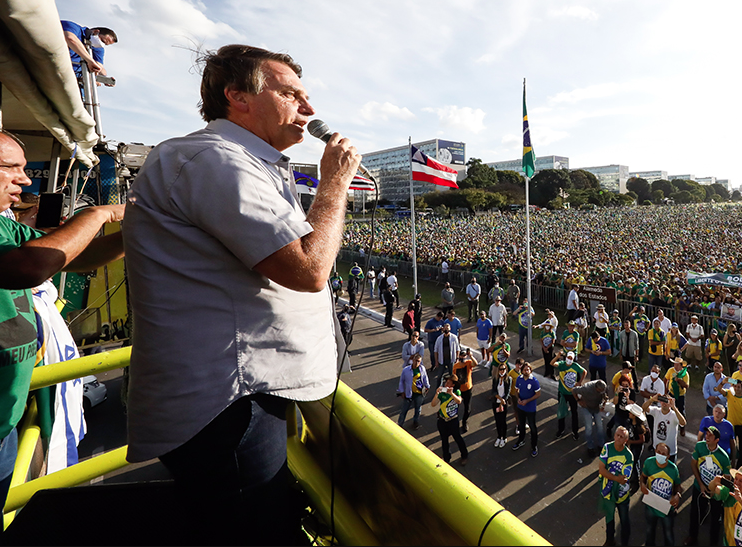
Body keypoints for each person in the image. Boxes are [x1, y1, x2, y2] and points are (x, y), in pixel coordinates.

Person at [121, 45, 354, 544]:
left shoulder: (239, 161)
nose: (309, 110)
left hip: (235, 393)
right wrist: (334, 185)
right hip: (229, 401)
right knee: (253, 530)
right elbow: (310, 268)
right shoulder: (214, 160)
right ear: (237, 97)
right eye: (292, 94)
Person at [0, 131, 124, 507]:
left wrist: (131, 231)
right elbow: (34, 265)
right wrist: (99, 213)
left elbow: (72, 257)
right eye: (10, 168)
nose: (24, 179)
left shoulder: (4, 225)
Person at [688, 426, 730, 545]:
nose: (707, 436)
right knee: (694, 512)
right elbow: (693, 464)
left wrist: (716, 490)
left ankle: (713, 542)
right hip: (699, 487)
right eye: (706, 434)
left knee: (715, 518)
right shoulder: (699, 446)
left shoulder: (723, 457)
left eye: (711, 435)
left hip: (715, 492)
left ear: (717, 440)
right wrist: (700, 484)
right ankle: (692, 536)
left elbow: (727, 478)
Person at [599, 426, 636, 547]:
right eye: (617, 435)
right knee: (609, 518)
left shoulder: (628, 456)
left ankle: (624, 542)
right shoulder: (607, 447)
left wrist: (612, 476)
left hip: (621, 494)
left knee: (624, 520)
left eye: (622, 437)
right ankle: (610, 540)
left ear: (626, 440)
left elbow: (624, 479)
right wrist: (615, 477)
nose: (619, 438)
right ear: (614, 436)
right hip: (608, 491)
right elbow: (601, 470)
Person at [708, 467, 742, 547]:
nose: (737, 482)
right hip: (727, 542)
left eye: (741, 481)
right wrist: (714, 482)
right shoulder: (728, 491)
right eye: (736, 479)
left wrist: (741, 501)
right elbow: (712, 489)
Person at [641, 441, 682, 545]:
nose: (660, 455)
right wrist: (642, 484)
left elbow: (677, 485)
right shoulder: (649, 463)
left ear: (668, 456)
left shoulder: (673, 469)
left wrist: (677, 495)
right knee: (649, 531)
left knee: (668, 535)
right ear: (655, 451)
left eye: (663, 454)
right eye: (658, 452)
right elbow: (643, 476)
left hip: (666, 508)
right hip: (651, 505)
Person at [431, 374, 468, 466]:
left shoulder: (457, 392)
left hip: (453, 420)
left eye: (448, 383)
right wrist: (436, 394)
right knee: (444, 440)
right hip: (442, 420)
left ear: (453, 385)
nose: (446, 384)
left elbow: (459, 401)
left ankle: (464, 455)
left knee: (457, 438)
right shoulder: (442, 393)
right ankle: (446, 458)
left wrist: (451, 393)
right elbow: (433, 404)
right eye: (446, 382)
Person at [722, 380, 742, 469]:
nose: (736, 389)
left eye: (739, 387)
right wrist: (725, 381)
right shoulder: (729, 394)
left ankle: (738, 469)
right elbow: (718, 389)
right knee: (729, 448)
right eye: (735, 386)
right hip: (730, 426)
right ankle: (728, 467)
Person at [576, 379, 611, 458]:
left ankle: (601, 445)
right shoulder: (586, 388)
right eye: (600, 391)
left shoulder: (603, 387)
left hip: (596, 407)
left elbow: (605, 398)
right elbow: (574, 390)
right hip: (587, 408)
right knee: (589, 427)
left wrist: (603, 405)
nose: (602, 392)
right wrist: (579, 401)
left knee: (600, 426)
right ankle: (590, 447)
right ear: (596, 388)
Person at [513, 362, 541, 457]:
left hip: (530, 409)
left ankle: (534, 446)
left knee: (533, 427)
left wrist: (527, 400)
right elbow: (516, 391)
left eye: (528, 369)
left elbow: (538, 394)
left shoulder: (534, 381)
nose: (527, 371)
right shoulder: (519, 379)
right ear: (522, 371)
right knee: (521, 425)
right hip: (521, 407)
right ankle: (521, 440)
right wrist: (519, 399)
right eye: (525, 369)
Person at [647, 394, 686, 461]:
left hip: (670, 452)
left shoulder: (674, 415)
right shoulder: (656, 411)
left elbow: (683, 423)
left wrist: (674, 407)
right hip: (657, 449)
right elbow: (644, 408)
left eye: (666, 401)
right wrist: (651, 399)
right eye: (662, 400)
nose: (664, 403)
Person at [397, 354, 430, 430]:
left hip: (419, 393)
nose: (416, 363)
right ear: (413, 360)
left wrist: (427, 386)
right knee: (404, 410)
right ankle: (400, 424)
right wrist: (401, 391)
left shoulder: (422, 369)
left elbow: (425, 378)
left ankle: (415, 421)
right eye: (415, 360)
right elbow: (401, 381)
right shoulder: (406, 370)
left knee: (418, 409)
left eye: (418, 361)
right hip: (408, 393)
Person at [452, 347, 477, 433]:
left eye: (464, 356)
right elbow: (454, 378)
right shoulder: (455, 366)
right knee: (455, 407)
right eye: (461, 356)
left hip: (468, 389)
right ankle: (455, 423)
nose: (463, 358)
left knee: (468, 408)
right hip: (459, 390)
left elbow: (475, 363)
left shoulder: (468, 363)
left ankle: (464, 422)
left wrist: (471, 356)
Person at [490, 361, 513, 448]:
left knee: (503, 421)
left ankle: (504, 437)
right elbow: (493, 390)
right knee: (497, 420)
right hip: (496, 402)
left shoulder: (508, 379)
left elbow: (507, 392)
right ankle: (499, 436)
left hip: (503, 403)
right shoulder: (496, 379)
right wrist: (499, 398)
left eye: (503, 369)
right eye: (500, 369)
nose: (502, 371)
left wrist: (503, 400)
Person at [664, 357, 690, 432]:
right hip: (671, 393)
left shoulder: (685, 374)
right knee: (669, 409)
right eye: (674, 364)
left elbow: (686, 386)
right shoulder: (671, 370)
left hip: (680, 395)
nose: (675, 366)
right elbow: (665, 379)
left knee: (681, 410)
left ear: (681, 366)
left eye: (677, 364)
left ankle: (682, 427)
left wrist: (679, 380)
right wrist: (665, 392)